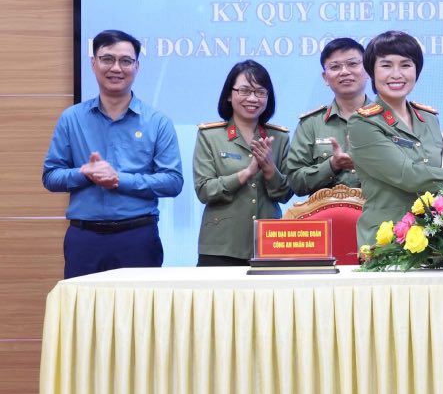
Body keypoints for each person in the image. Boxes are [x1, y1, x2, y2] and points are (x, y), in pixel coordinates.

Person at [42, 29, 183, 278]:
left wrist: (119, 179)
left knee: (139, 304)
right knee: (83, 305)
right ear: (93, 63)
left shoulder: (157, 122)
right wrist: (84, 173)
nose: (116, 68)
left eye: (125, 61)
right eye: (107, 59)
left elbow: (172, 182)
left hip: (137, 237)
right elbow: (51, 176)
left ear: (137, 66)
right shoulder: (71, 118)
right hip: (84, 238)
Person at [346, 31, 443, 246]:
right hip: (387, 239)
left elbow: (439, 171)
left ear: (416, 71)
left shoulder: (428, 118)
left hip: (435, 238)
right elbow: (408, 176)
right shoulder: (362, 123)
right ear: (371, 71)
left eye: (405, 65)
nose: (396, 74)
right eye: (386, 65)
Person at [193, 60, 292, 266]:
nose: (253, 98)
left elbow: (285, 194)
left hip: (269, 242)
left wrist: (269, 169)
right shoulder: (210, 136)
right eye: (244, 91)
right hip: (221, 244)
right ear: (229, 95)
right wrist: (246, 173)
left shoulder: (279, 137)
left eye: (260, 92)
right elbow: (204, 190)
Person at [284, 38, 368, 196]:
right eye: (335, 67)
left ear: (368, 70)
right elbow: (295, 182)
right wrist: (332, 165)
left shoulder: (386, 118)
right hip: (325, 211)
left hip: (378, 211)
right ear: (325, 78)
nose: (344, 72)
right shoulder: (311, 124)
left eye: (352, 64)